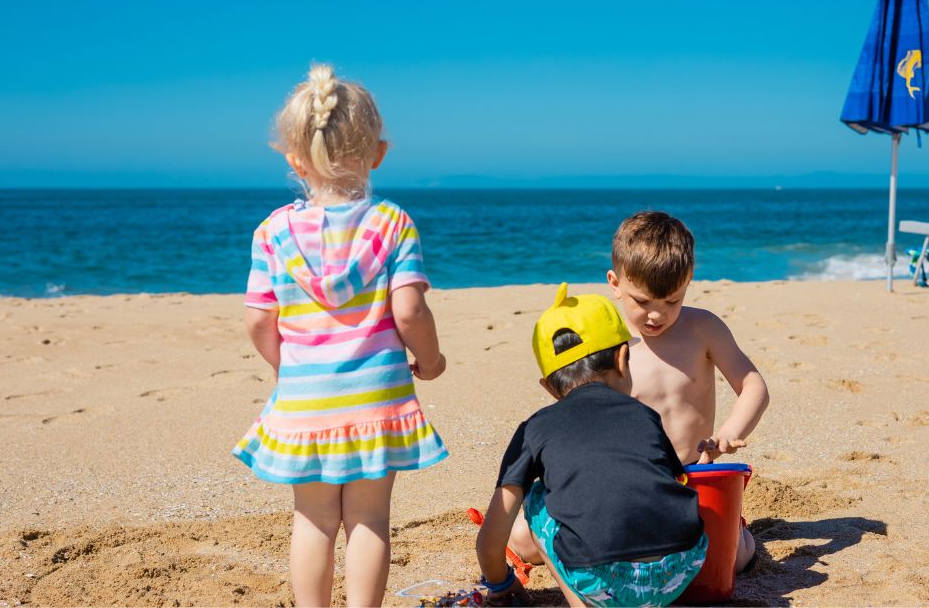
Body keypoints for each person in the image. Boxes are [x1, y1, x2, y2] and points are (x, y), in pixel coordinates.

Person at [232, 64, 448, 608]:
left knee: (314, 519)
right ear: (377, 152)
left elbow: (258, 319)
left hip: (307, 402)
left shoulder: (273, 231)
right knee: (370, 518)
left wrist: (286, 368)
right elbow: (409, 309)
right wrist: (432, 357)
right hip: (377, 399)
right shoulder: (392, 223)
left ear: (293, 157)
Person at [476, 283, 708, 607]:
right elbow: (672, 481)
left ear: (548, 386)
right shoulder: (645, 416)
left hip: (602, 578)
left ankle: (579, 603)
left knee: (536, 497)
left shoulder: (534, 429)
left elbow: (490, 540)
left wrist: (500, 583)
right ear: (623, 357)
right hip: (681, 567)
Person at [607, 211, 770, 572]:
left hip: (693, 475)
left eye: (672, 301)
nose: (656, 315)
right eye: (643, 301)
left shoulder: (702, 328)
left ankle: (738, 532)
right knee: (526, 539)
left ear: (688, 283)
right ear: (615, 283)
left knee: (733, 560)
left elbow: (753, 386)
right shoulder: (608, 339)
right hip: (630, 480)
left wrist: (729, 433)